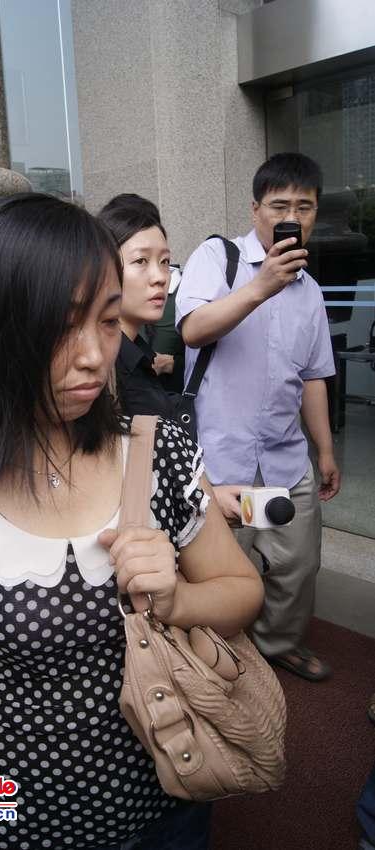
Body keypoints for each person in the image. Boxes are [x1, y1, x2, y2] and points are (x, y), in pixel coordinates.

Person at [0, 193, 264, 850]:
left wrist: (177, 595)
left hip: (170, 803)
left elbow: (241, 590)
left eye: (108, 322)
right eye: (61, 327)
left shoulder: (157, 452)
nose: (93, 356)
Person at [176, 152, 341, 682]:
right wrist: (261, 285)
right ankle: (226, 658)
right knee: (230, 565)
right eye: (278, 205)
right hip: (223, 462)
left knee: (294, 563)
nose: (290, 215)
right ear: (255, 209)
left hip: (286, 460)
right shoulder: (216, 258)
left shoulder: (311, 291)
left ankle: (279, 643)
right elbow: (193, 329)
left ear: (314, 214)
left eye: (304, 206)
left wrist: (327, 451)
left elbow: (313, 377)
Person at [97, 194, 188, 421]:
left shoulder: (138, 354)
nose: (160, 277)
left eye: (165, 261)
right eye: (141, 261)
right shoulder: (99, 372)